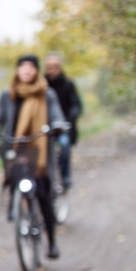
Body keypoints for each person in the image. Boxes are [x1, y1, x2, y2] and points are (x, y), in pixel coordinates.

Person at [0, 54, 71, 259]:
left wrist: (57, 126)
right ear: (17, 70)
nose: (27, 70)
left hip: (39, 149)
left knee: (42, 193)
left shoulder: (46, 94)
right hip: (15, 147)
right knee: (15, 179)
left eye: (31, 67)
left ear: (36, 71)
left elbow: (56, 115)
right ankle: (15, 203)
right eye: (23, 66)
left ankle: (52, 242)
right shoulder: (7, 94)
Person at [43, 53, 82, 190]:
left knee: (64, 145)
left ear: (59, 68)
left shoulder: (68, 85)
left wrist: (70, 118)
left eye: (54, 66)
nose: (51, 70)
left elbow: (76, 106)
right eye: (49, 67)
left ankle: (65, 177)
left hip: (62, 128)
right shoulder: (41, 86)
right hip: (43, 128)